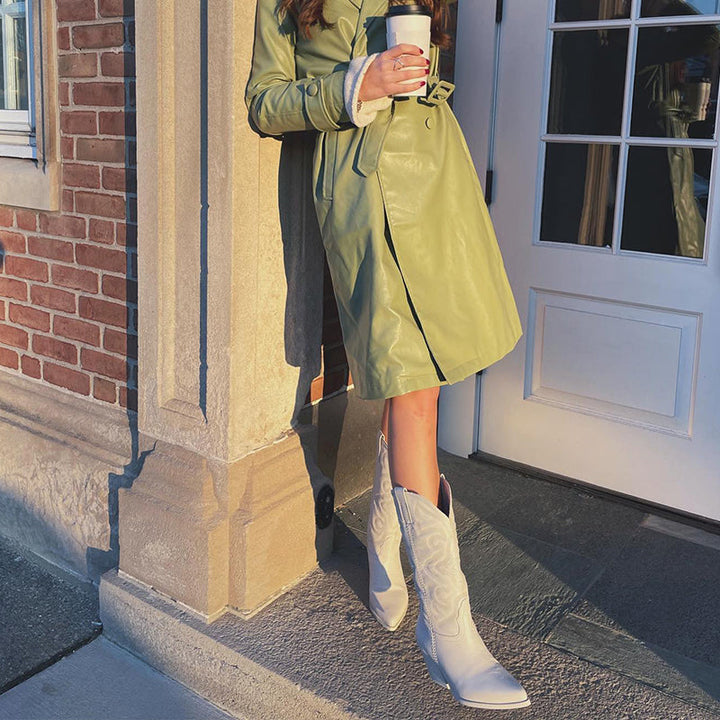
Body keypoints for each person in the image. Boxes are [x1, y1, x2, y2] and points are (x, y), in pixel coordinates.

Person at [245, 0, 529, 710]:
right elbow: (263, 101)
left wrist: (417, 73)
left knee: (424, 381)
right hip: (363, 194)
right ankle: (449, 629)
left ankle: (382, 536)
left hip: (437, 183)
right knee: (408, 380)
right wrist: (355, 85)